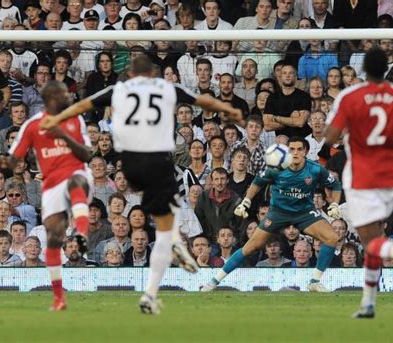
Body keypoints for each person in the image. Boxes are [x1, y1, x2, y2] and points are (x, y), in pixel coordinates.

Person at [39, 54, 243, 315]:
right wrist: (228, 110)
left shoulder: (119, 89)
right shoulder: (166, 88)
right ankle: (158, 276)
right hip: (158, 160)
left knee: (163, 215)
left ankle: (167, 258)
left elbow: (83, 105)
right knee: (167, 221)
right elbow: (202, 100)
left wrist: (55, 120)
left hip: (130, 163)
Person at [324, 48, 393, 319]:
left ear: (363, 70)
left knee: (369, 241)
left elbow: (331, 134)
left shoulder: (350, 96)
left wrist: (348, 129)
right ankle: (369, 303)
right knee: (372, 238)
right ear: (386, 69)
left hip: (361, 175)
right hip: (389, 176)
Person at [201, 136, 342, 292]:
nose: (295, 153)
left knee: (332, 238)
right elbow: (257, 182)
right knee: (250, 247)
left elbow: (335, 184)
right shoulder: (276, 168)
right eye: (292, 149)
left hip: (304, 212)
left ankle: (314, 281)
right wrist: (246, 201)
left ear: (306, 152)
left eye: (299, 149)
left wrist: (334, 203)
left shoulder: (315, 169)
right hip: (278, 213)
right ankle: (214, 281)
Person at [9, 80, 93, 311]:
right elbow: (15, 155)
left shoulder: (75, 120)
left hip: (77, 172)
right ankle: (58, 298)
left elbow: (87, 154)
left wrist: (63, 135)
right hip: (52, 183)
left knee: (76, 183)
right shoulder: (33, 125)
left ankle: (82, 235)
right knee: (54, 239)